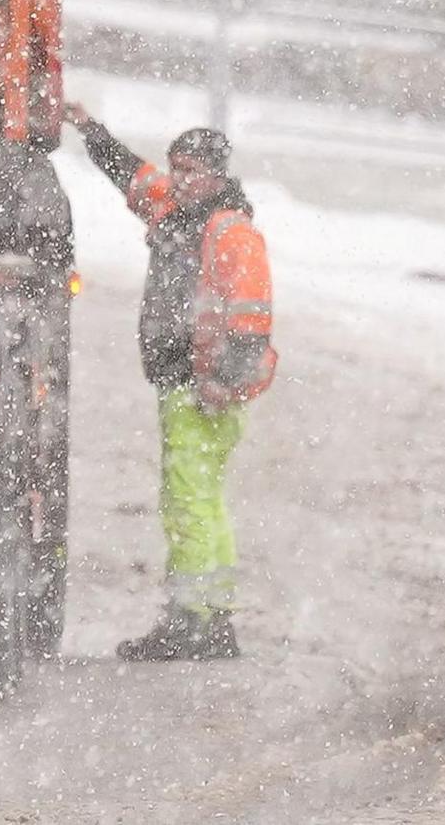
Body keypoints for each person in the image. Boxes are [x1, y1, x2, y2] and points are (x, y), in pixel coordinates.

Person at [63, 102, 274, 662]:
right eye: (176, 167)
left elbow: (252, 320)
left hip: (201, 386)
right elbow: (131, 174)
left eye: (193, 170)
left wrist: (220, 381)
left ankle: (191, 623)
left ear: (219, 174)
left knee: (188, 503)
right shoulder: (174, 211)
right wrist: (90, 128)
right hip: (184, 381)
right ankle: (214, 617)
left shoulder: (230, 232)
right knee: (202, 500)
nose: (180, 179)